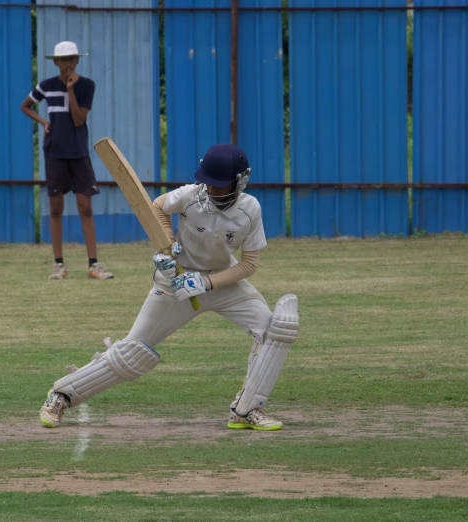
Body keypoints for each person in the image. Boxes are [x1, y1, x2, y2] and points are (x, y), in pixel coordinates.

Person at [39, 144, 300, 430]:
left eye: (219, 186)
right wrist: (166, 248)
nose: (211, 191)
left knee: (272, 332)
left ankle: (247, 410)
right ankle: (61, 395)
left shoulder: (250, 210)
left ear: (239, 182)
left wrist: (207, 282)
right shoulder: (189, 195)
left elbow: (249, 264)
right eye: (208, 184)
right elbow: (157, 207)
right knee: (133, 351)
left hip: (222, 282)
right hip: (175, 282)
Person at [21, 41, 113, 280]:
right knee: (55, 208)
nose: (68, 64)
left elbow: (79, 120)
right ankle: (58, 266)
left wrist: (71, 90)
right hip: (54, 153)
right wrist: (43, 122)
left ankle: (93, 265)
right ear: (56, 62)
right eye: (64, 60)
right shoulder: (46, 86)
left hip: (79, 153)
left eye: (72, 59)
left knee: (85, 207)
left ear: (77, 61)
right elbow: (26, 106)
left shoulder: (86, 86)